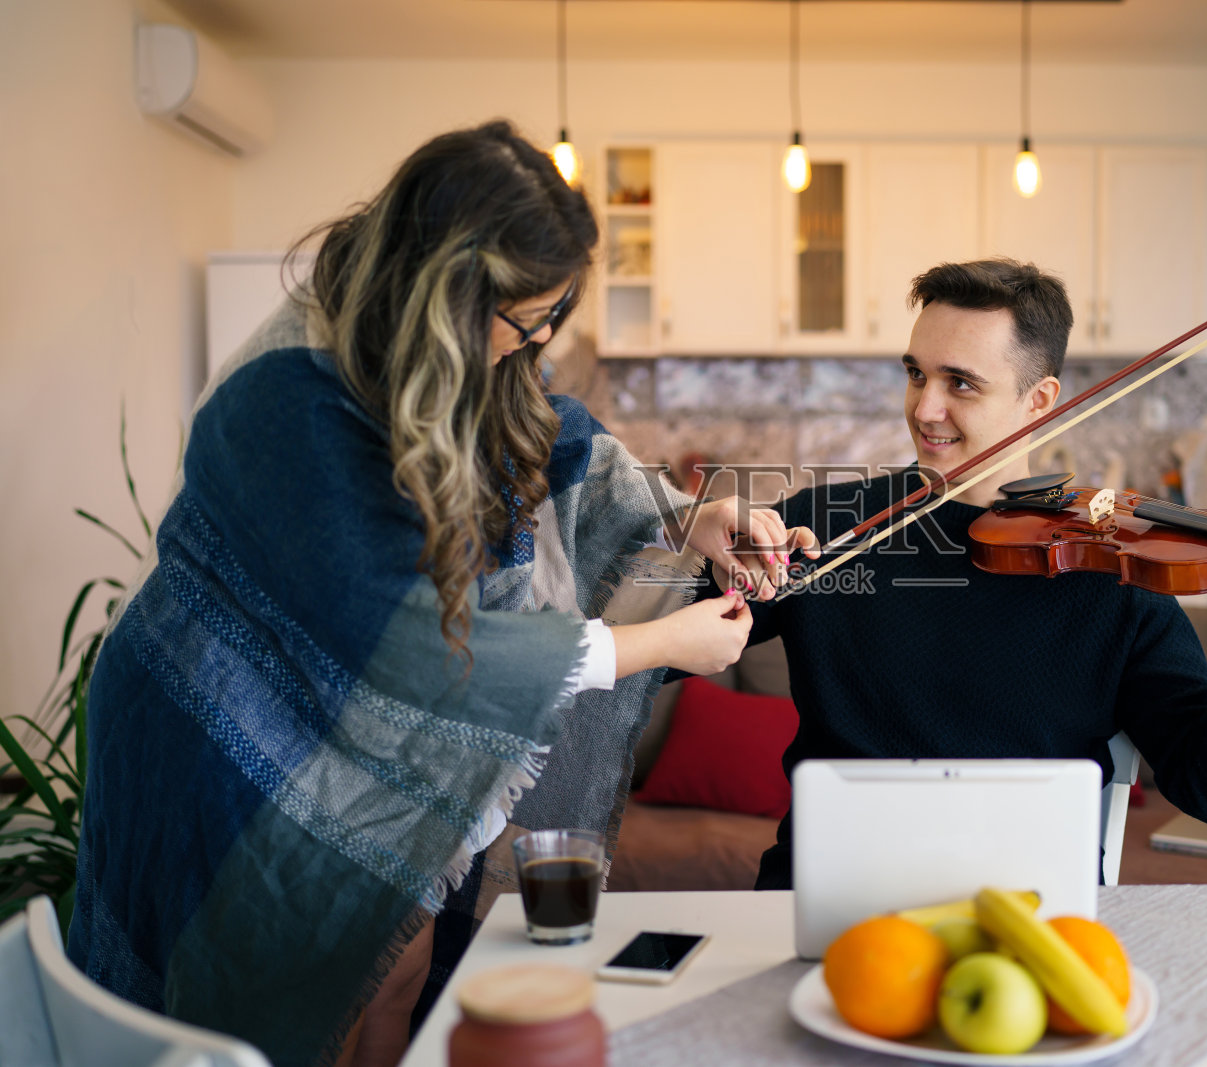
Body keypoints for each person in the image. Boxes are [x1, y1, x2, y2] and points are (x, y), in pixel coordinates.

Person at [67, 121, 797, 1067]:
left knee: (401, 965)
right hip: (220, 735)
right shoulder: (284, 401)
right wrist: (658, 646)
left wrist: (686, 514)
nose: (539, 341)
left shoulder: (445, 356)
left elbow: (553, 438)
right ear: (449, 298)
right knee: (299, 1001)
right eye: (526, 322)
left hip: (348, 729)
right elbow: (409, 647)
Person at [714, 258, 1207, 891]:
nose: (925, 409)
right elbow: (668, 643)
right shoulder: (824, 526)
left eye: (961, 383)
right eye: (916, 374)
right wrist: (701, 546)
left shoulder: (1110, 566)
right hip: (827, 892)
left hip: (1030, 912)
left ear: (1039, 402)